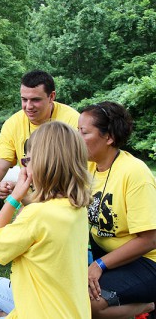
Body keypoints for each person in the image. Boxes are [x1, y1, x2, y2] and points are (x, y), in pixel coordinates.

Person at [0, 121, 92, 318]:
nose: (24, 166)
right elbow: (20, 233)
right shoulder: (76, 208)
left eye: (26, 161)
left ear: (42, 164)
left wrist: (14, 199)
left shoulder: (37, 215)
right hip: (71, 312)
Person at [79, 101, 156, 319]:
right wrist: (18, 195)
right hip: (107, 257)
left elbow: (149, 240)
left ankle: (148, 306)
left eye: (84, 132)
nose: (77, 138)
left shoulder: (135, 173)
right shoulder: (89, 166)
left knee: (86, 304)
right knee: (67, 293)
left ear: (109, 137)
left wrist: (99, 264)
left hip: (147, 262)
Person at [0, 69, 80, 199]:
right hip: (31, 198)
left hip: (64, 196)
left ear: (52, 96)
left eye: (35, 100)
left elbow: (78, 172)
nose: (28, 106)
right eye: (24, 99)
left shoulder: (72, 121)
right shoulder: (13, 123)